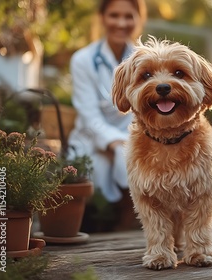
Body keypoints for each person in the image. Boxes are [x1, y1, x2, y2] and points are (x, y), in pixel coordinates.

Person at [68, 0, 146, 230]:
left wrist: (128, 142)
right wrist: (115, 144)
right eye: (114, 15)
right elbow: (89, 116)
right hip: (92, 140)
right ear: (102, 17)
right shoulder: (82, 60)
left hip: (133, 136)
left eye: (128, 16)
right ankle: (106, 224)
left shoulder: (145, 59)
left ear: (138, 19)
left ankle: (132, 225)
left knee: (138, 163)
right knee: (100, 168)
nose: (121, 23)